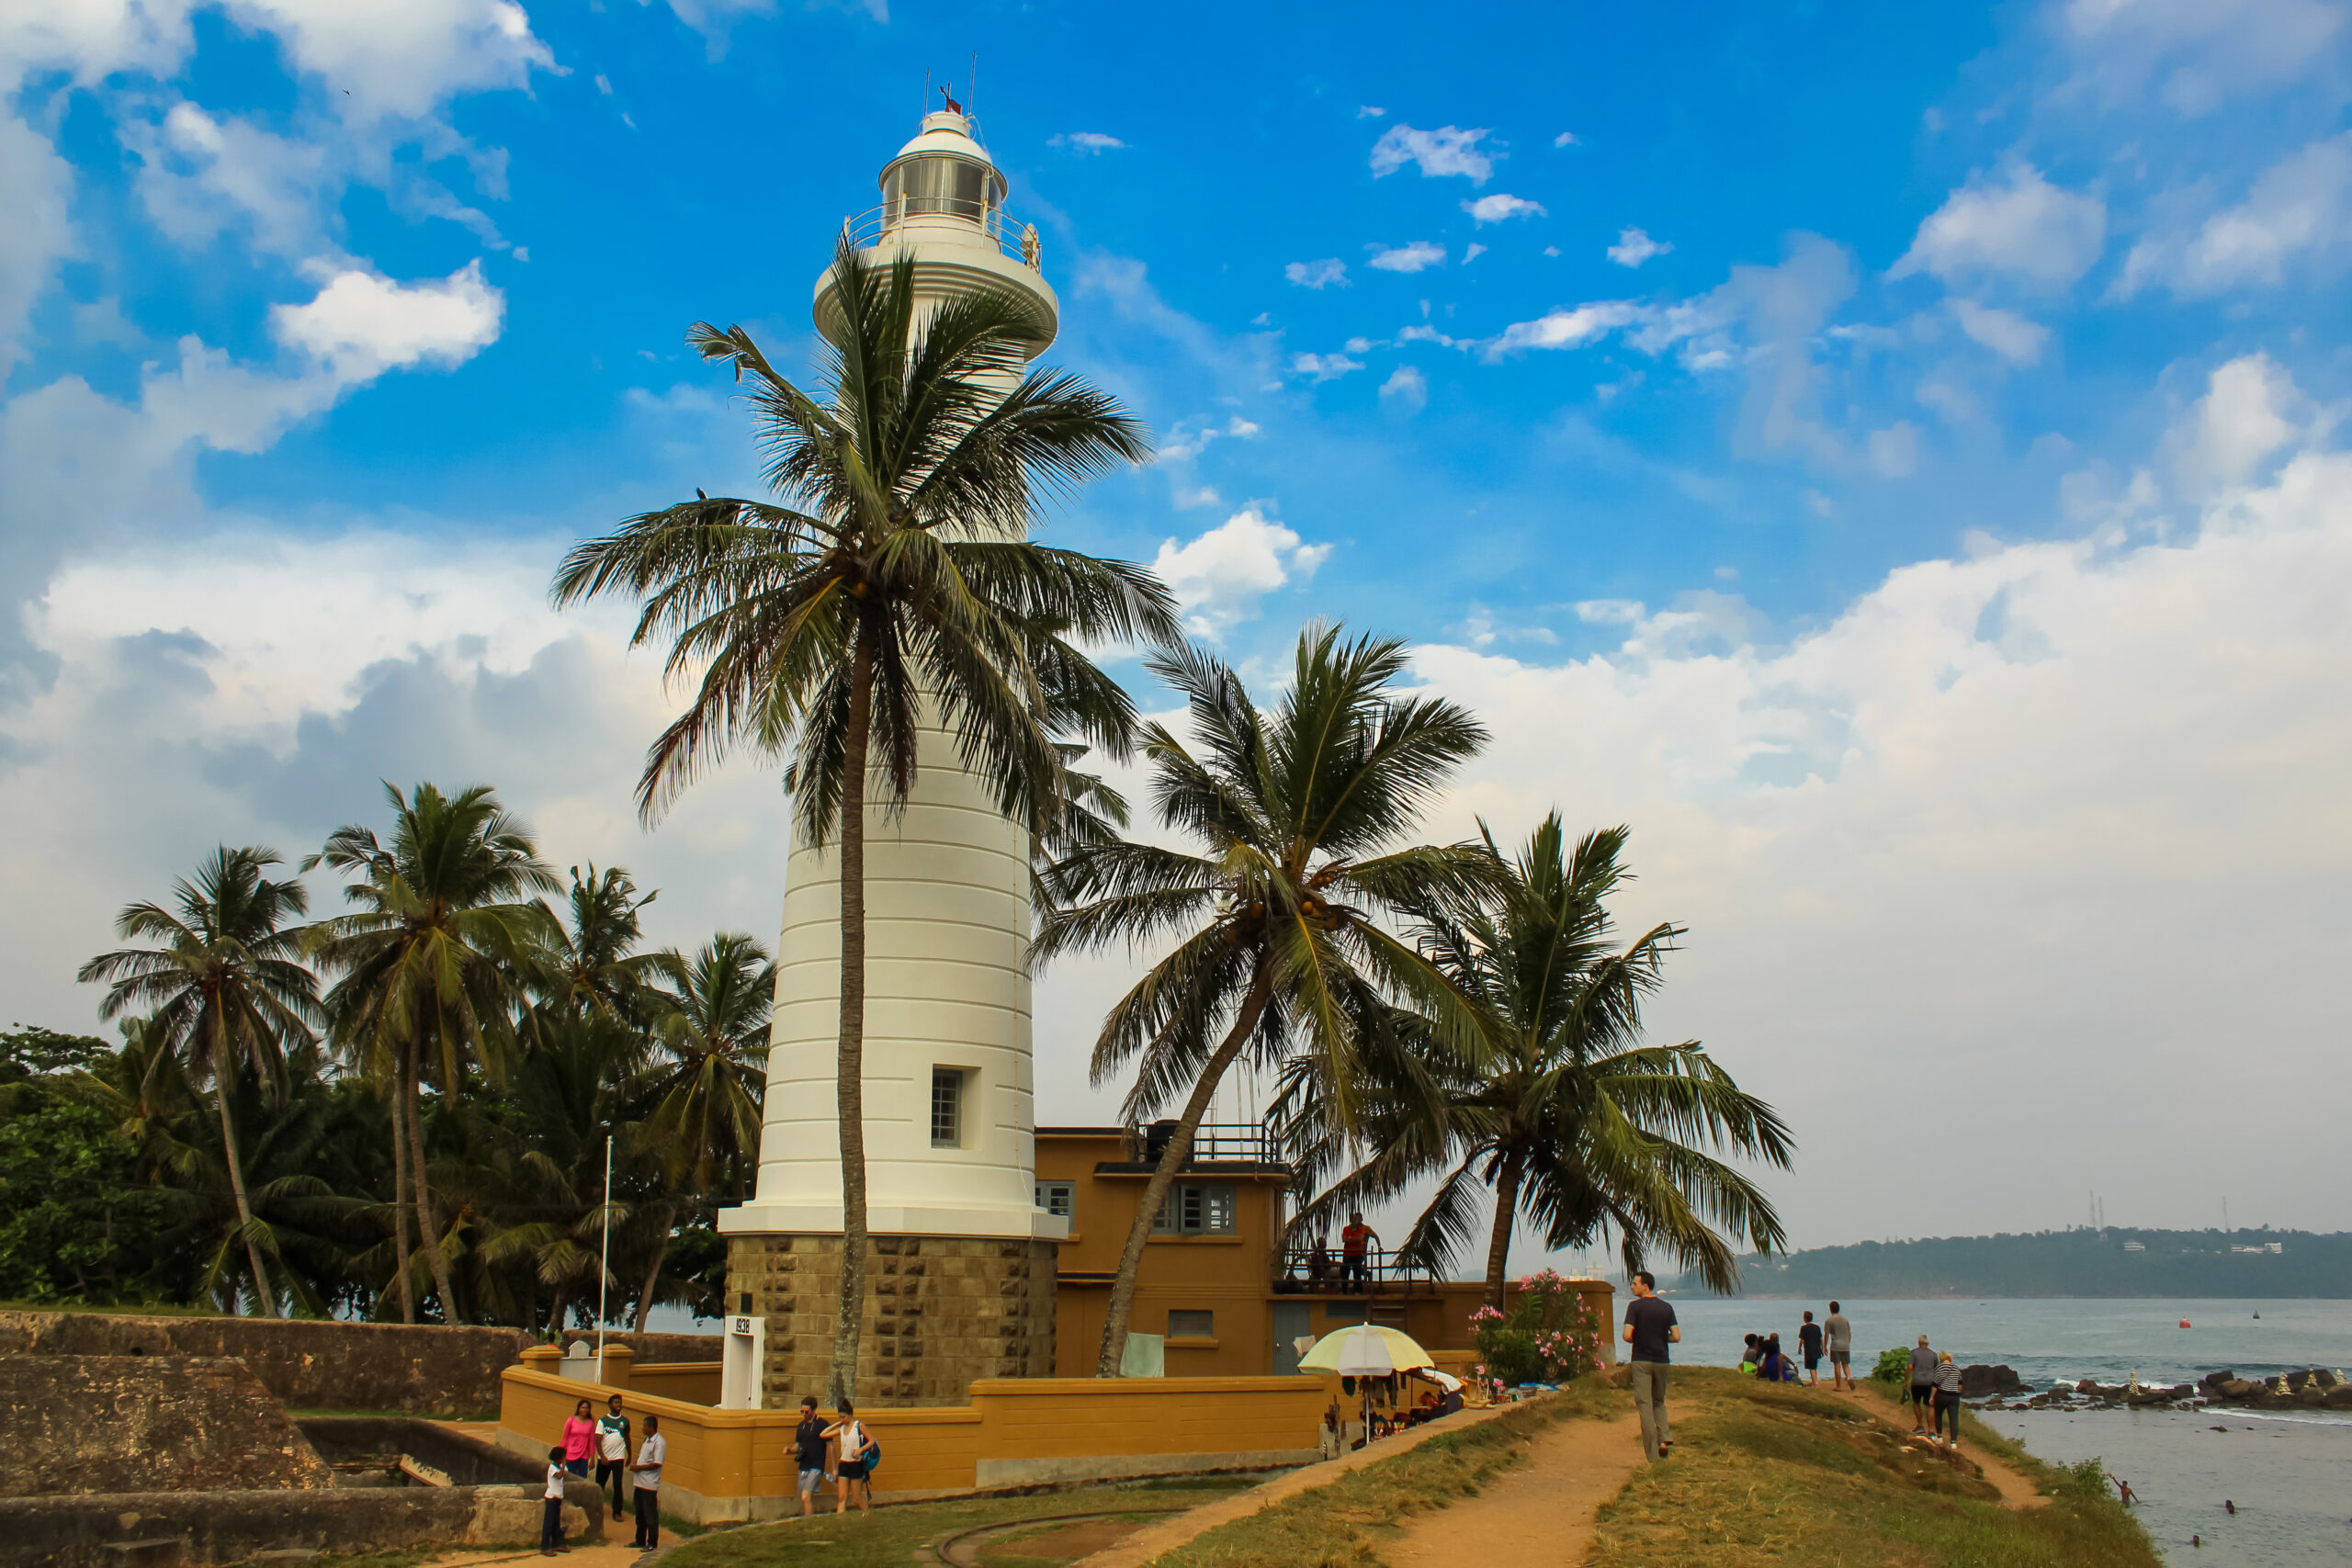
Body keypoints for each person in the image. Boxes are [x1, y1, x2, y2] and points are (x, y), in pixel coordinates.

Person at [1621, 1269, 1679, 1462]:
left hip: (1641, 1360)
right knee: (1659, 1402)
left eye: (1635, 1283)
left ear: (1645, 1285)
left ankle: (1653, 1456)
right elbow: (1676, 1337)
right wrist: (1661, 1338)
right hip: (1662, 1360)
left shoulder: (1634, 1307)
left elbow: (1627, 1335)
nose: (1632, 1286)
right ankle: (1665, 1439)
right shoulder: (1667, 1308)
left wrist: (1640, 1338)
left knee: (1645, 1405)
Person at [826, 1399, 874, 1513]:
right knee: (842, 1498)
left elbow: (871, 1441)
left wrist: (860, 1450)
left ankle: (867, 1515)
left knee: (857, 1500)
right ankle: (841, 1524)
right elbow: (823, 1434)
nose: (841, 1420)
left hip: (856, 1464)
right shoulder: (841, 1428)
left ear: (850, 1415)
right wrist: (837, 1424)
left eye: (843, 1417)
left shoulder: (858, 1426)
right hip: (844, 1464)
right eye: (839, 1417)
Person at [628, 1414, 665, 1550]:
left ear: (651, 1427)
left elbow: (657, 1463)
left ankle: (652, 1543)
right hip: (639, 1483)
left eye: (644, 1425)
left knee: (650, 1515)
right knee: (640, 1514)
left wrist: (639, 1467)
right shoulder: (647, 1440)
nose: (642, 1428)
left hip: (649, 1484)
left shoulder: (659, 1442)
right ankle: (640, 1540)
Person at [794, 1395, 831, 1517]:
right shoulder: (801, 1426)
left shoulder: (822, 1424)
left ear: (814, 1410)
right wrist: (789, 1450)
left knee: (805, 1496)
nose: (804, 1414)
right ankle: (810, 1518)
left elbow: (830, 1446)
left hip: (816, 1465)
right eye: (802, 1411)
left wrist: (835, 1467)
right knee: (805, 1497)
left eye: (807, 1412)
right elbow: (797, 1446)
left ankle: (808, 1520)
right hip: (804, 1464)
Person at [594, 1394, 631, 1516]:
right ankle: (596, 1509)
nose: (618, 1405)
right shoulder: (603, 1421)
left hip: (618, 1458)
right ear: (610, 1405)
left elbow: (627, 1438)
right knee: (599, 1485)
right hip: (604, 1459)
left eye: (620, 1402)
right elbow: (597, 1440)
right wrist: (602, 1456)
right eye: (615, 1402)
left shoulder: (624, 1421)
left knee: (617, 1486)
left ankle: (617, 1512)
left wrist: (629, 1454)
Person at [539, 1446, 568, 1555]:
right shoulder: (552, 1468)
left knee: (556, 1523)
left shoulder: (558, 1467)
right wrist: (564, 1466)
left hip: (557, 1498)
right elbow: (559, 1476)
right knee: (549, 1523)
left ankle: (556, 1544)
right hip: (551, 1498)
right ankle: (545, 1547)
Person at [1340, 1212, 1378, 1292]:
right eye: (1355, 1219)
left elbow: (1362, 1238)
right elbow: (1344, 1239)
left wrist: (1379, 1246)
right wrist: (1353, 1239)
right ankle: (1346, 1290)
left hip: (1359, 1253)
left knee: (1356, 1270)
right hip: (1348, 1253)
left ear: (1361, 1219)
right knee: (1346, 1270)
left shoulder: (1364, 1229)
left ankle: (1358, 1289)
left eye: (1358, 1219)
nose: (1356, 1220)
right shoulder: (1346, 1228)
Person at [1908, 1336, 1938, 1435]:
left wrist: (1906, 1379)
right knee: (1930, 1406)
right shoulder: (1933, 1354)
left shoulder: (1914, 1353)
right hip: (1930, 1382)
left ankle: (1920, 1425)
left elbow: (1910, 1367)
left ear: (1919, 1343)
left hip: (1917, 1381)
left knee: (1916, 1403)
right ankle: (1932, 1430)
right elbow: (1936, 1369)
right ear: (1928, 1343)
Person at [1933, 1352, 1963, 1449]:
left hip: (1942, 1394)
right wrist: (1957, 1393)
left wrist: (1932, 1397)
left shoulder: (1940, 1368)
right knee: (1954, 1419)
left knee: (1938, 1415)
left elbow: (1935, 1384)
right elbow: (1960, 1385)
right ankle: (1953, 1442)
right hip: (1954, 1397)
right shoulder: (1956, 1368)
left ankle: (1939, 1437)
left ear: (1941, 1359)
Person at [560, 1398, 596, 1477]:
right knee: (570, 1477)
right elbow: (564, 1438)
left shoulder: (590, 1423)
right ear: (579, 1409)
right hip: (570, 1454)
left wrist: (592, 1457)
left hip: (583, 1455)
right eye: (583, 1407)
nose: (585, 1410)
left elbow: (591, 1441)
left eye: (587, 1408)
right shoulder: (571, 1420)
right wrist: (561, 1454)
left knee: (582, 1479)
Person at [1826, 1301, 1853, 1392]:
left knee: (1837, 1365)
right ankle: (1848, 1377)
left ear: (1830, 1309)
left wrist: (1824, 1346)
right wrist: (1848, 1342)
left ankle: (1839, 1386)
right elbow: (1849, 1333)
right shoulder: (1845, 1320)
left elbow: (1827, 1334)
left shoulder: (1829, 1321)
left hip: (1836, 1345)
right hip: (1846, 1345)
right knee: (1846, 1364)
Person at [1798, 1311, 1825, 1387]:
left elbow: (1802, 1340)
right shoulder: (1817, 1327)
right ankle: (1815, 1381)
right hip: (1817, 1349)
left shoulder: (1803, 1328)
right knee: (1814, 1366)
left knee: (1811, 1367)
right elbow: (1821, 1339)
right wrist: (1822, 1349)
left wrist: (1799, 1348)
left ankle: (1815, 1383)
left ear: (1805, 1318)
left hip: (1809, 1350)